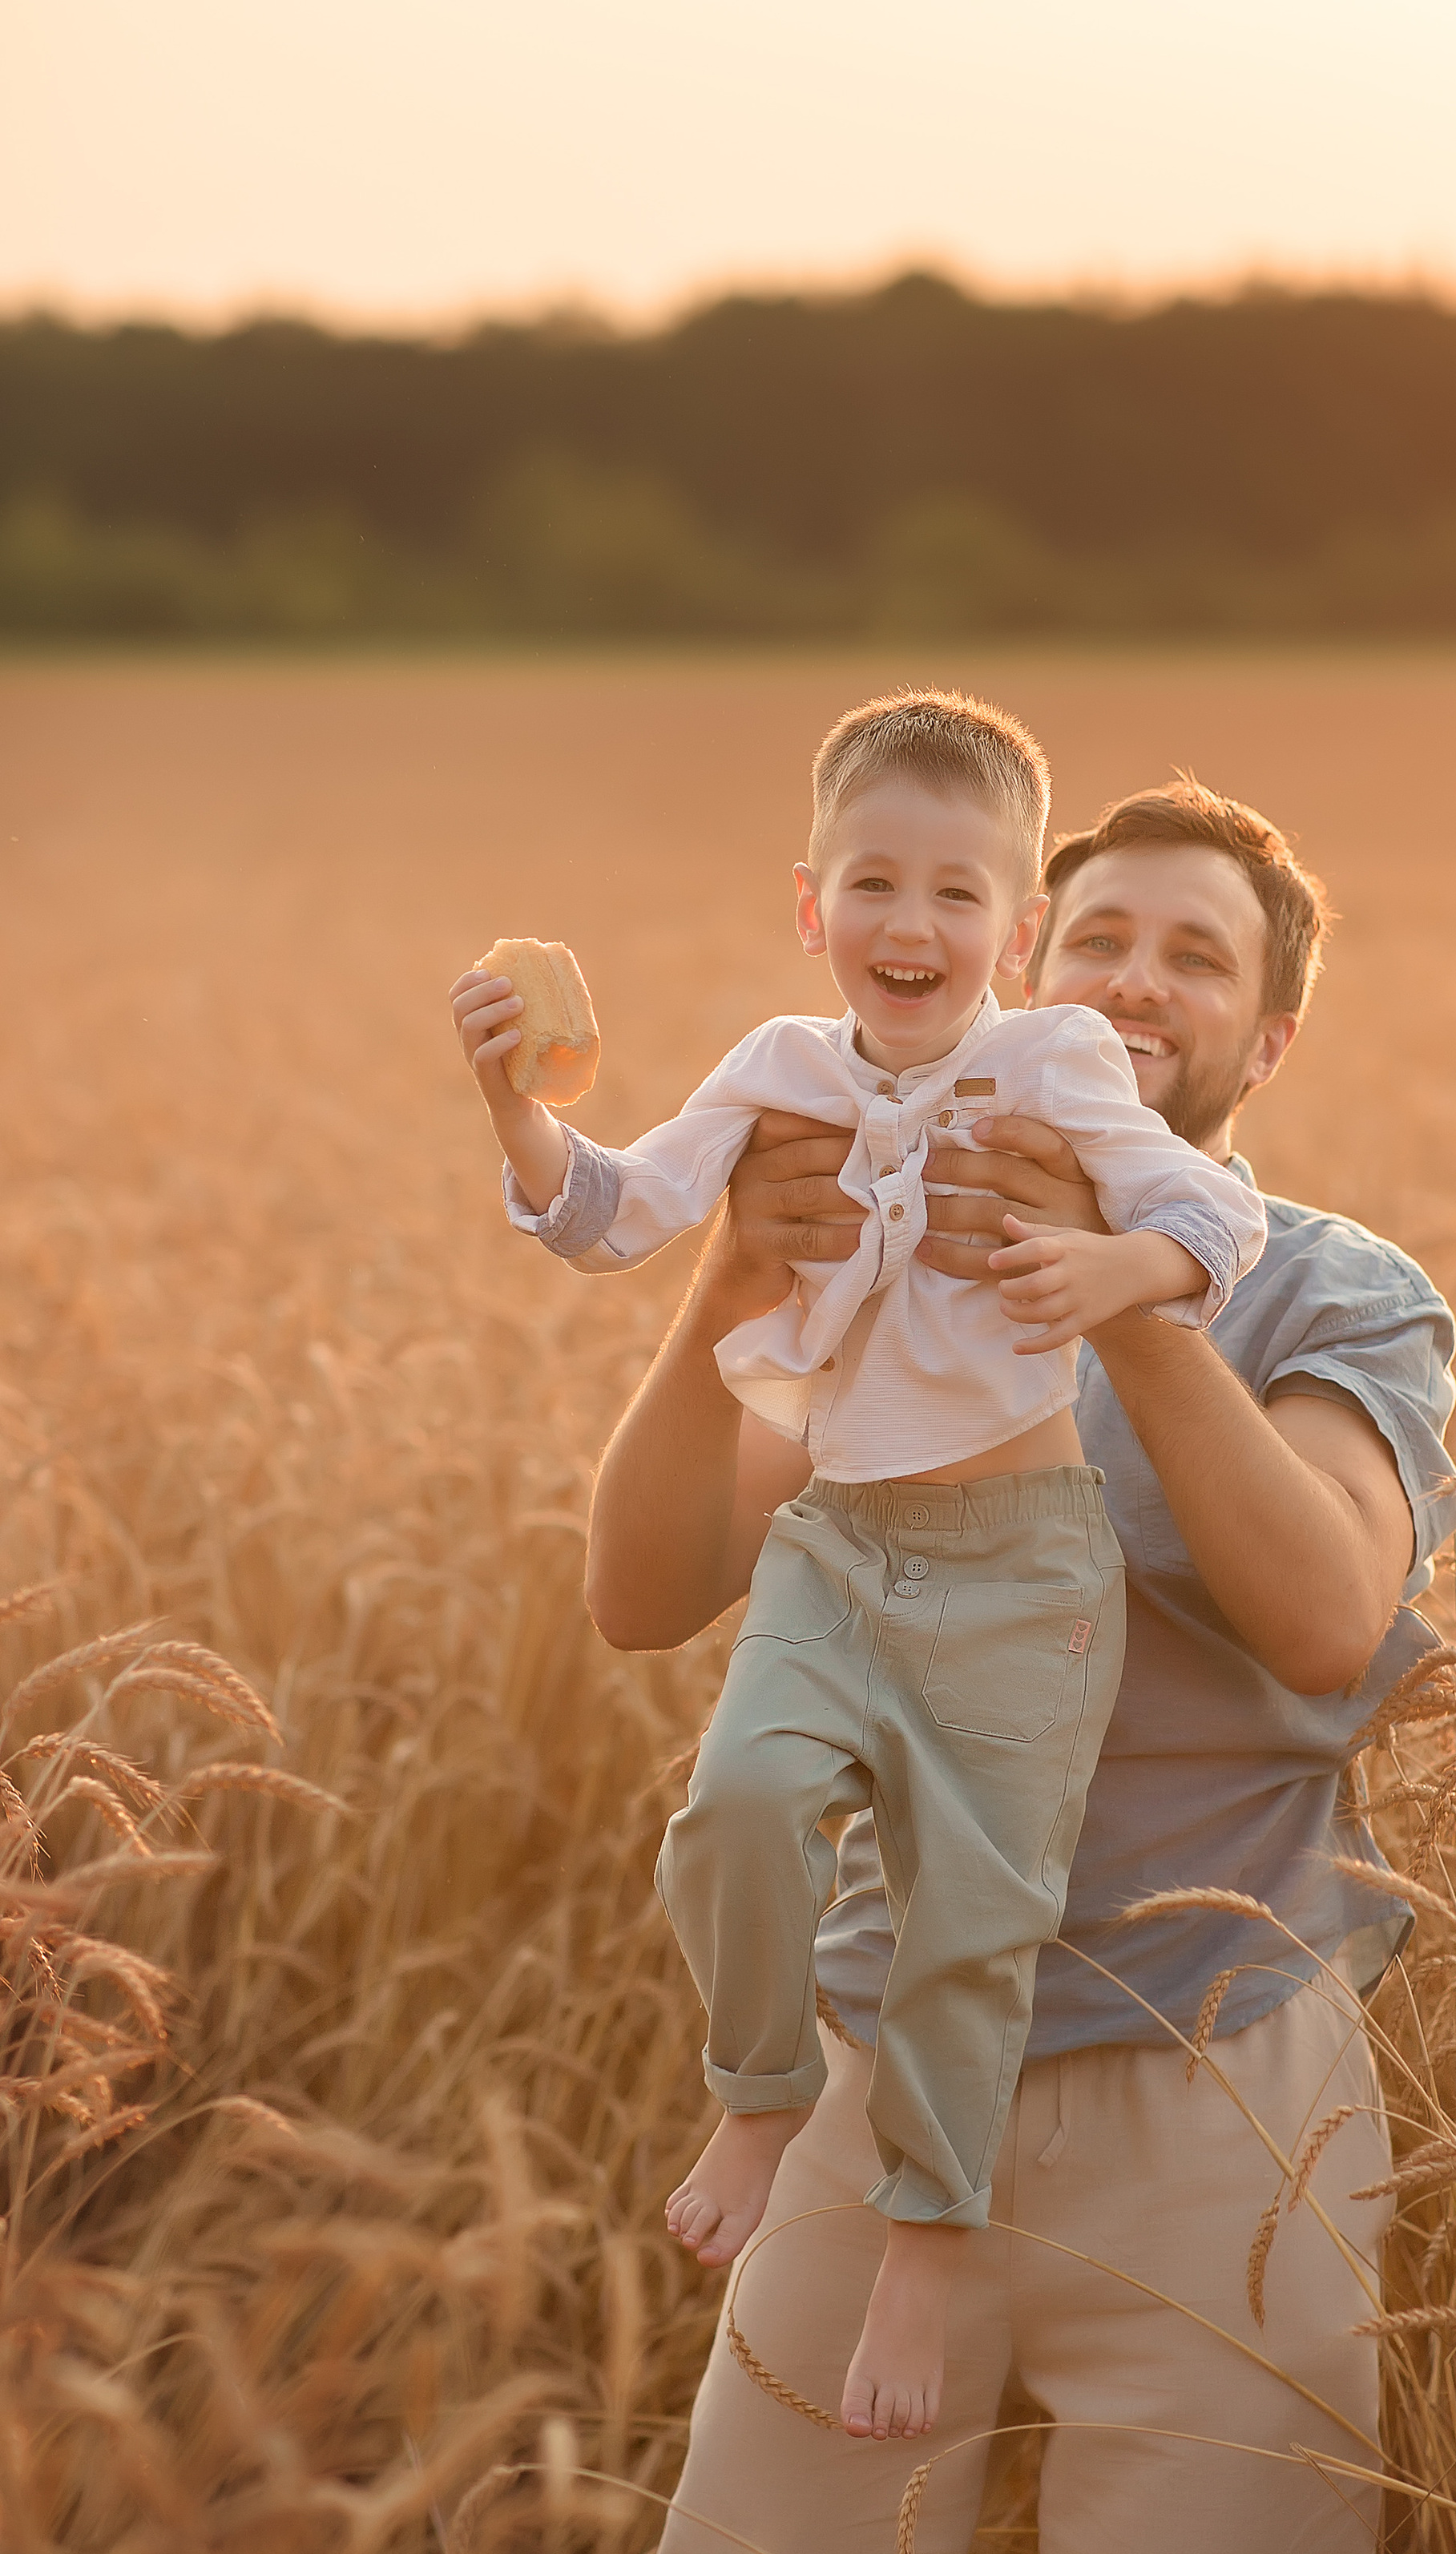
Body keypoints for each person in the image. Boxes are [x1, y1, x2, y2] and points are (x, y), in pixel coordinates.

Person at [591, 771, 1456, 2554]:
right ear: (1018, 969)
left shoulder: (1328, 1288)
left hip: (1224, 2119)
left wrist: (1136, 1291)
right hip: (892, 2097)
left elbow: (1323, 1616)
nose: (1136, 983)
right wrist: (735, 1278)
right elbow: (643, 1587)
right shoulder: (885, 1255)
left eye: (1199, 958)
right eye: (1098, 940)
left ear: (1264, 1046)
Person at [453, 691, 1264, 2443]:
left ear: (1016, 931)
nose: (914, 927)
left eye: (959, 895)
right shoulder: (774, 1068)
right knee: (733, 1809)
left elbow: (1213, 1219)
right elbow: (614, 1214)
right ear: (807, 905)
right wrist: (515, 1108)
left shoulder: (1057, 1064)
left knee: (973, 1925)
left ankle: (925, 2237)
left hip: (1024, 1568)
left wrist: (1109, 1274)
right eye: (874, 886)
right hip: (835, 1544)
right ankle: (759, 2097)